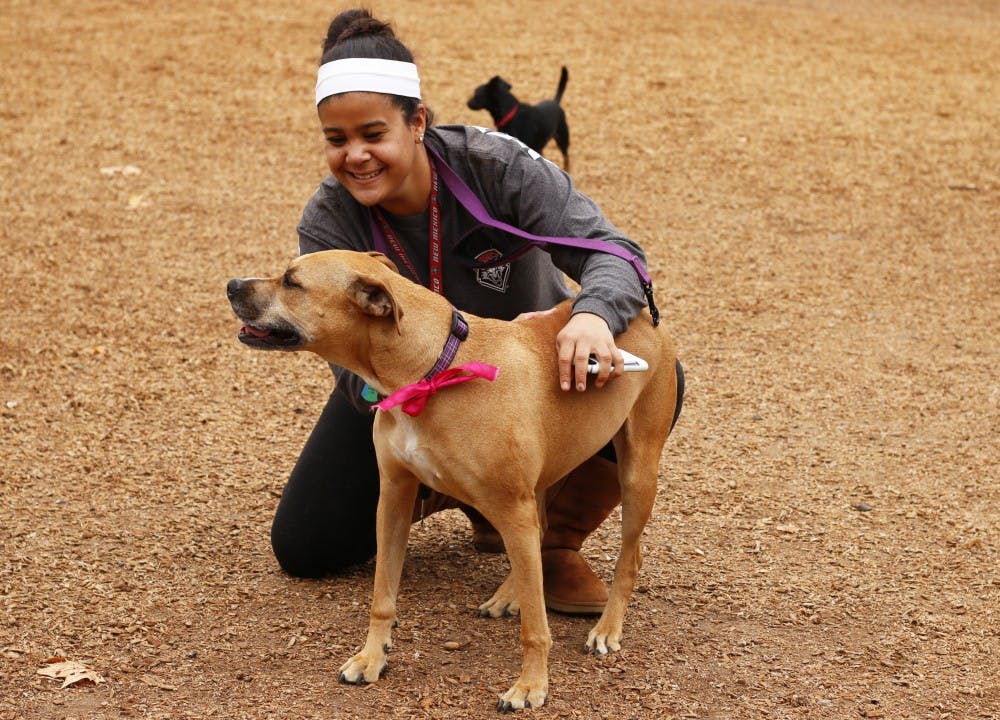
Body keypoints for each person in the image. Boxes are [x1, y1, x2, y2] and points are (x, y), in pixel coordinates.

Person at [269, 8, 681, 615]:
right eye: (337, 140)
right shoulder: (328, 221)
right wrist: (421, 423)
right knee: (306, 544)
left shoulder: (497, 166)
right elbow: (338, 352)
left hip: (529, 376)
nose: (356, 155)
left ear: (418, 123)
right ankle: (459, 485)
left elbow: (616, 252)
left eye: (373, 134)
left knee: (646, 369)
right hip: (402, 392)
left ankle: (556, 542)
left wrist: (592, 316)